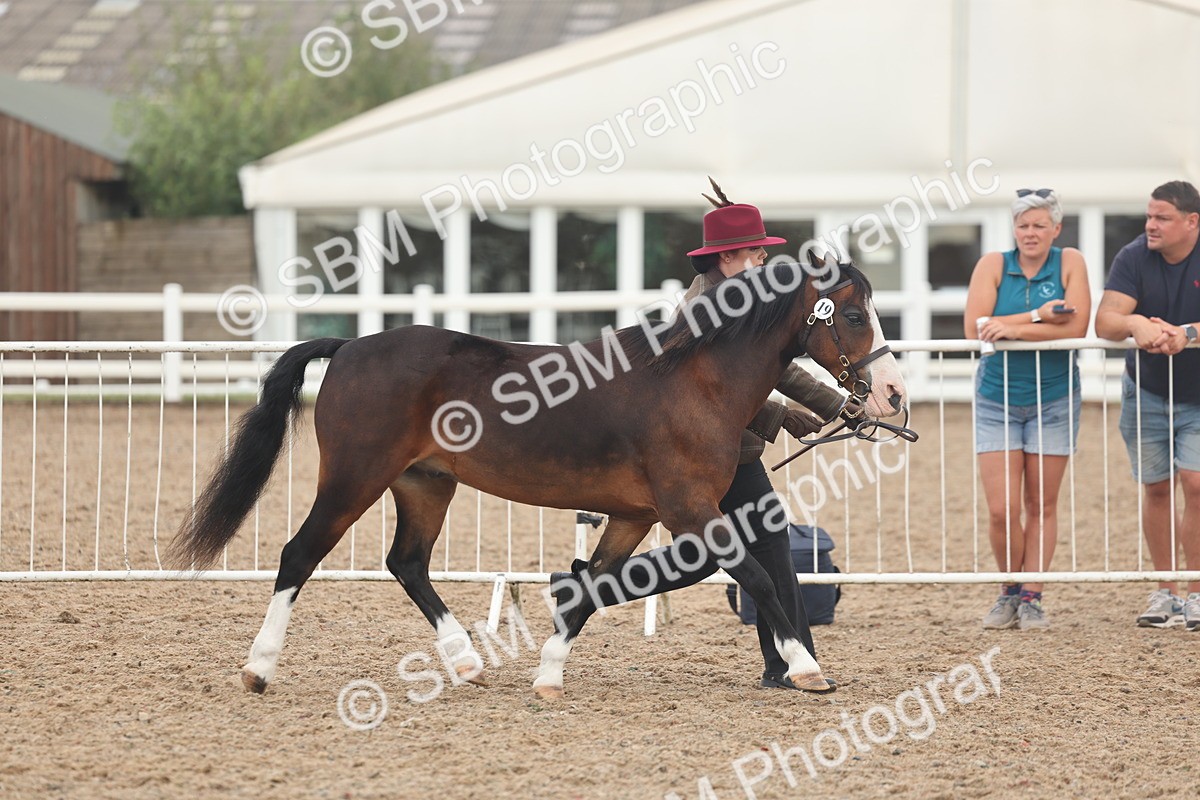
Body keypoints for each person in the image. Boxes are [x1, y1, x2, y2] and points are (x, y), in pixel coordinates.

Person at [552, 190, 854, 693]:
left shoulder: (746, 299)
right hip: (699, 453)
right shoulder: (702, 309)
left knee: (765, 545)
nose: (764, 259)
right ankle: (584, 591)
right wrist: (783, 414)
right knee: (712, 555)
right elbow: (714, 390)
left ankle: (787, 664)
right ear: (727, 257)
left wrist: (836, 404)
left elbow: (771, 368)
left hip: (733, 451)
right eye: (756, 251)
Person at [964, 188, 1091, 630]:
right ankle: (1010, 590)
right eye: (1023, 225)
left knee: (1041, 504)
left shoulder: (1070, 260)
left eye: (1039, 225)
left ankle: (1033, 596)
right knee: (1002, 509)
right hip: (996, 397)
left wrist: (1013, 327)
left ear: (1056, 229)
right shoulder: (993, 264)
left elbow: (1077, 326)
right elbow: (976, 328)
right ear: (1013, 229)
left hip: (1055, 397)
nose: (1030, 233)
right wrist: (1040, 316)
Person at [1095, 180, 1200, 631]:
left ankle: (1196, 591)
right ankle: (1166, 591)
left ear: (1192, 222)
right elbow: (1105, 321)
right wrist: (1135, 322)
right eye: (1149, 216)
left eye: (1162, 218)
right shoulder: (1133, 255)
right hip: (1147, 390)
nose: (1150, 225)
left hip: (1197, 396)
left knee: (1196, 484)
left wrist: (1188, 333)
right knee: (1157, 489)